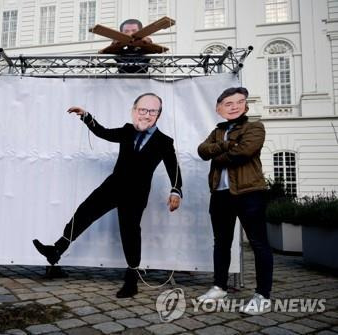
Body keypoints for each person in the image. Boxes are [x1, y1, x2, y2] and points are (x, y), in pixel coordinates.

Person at [33, 92, 182, 298]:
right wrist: (86, 116)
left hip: (136, 194)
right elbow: (102, 132)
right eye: (142, 110)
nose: (146, 115)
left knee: (129, 232)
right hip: (113, 186)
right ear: (134, 111)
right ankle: (56, 250)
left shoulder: (164, 141)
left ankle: (132, 279)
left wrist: (176, 190)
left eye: (152, 111)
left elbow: (173, 168)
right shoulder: (127, 130)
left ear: (158, 115)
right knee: (84, 212)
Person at [197, 87, 273, 315]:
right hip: (220, 196)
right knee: (221, 242)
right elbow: (202, 151)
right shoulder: (217, 131)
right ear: (219, 109)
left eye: (239, 102)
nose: (234, 106)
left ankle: (263, 295)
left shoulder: (255, 127)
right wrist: (227, 144)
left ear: (246, 106)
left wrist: (219, 152)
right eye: (228, 103)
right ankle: (219, 287)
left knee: (258, 244)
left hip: (250, 193)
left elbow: (243, 152)